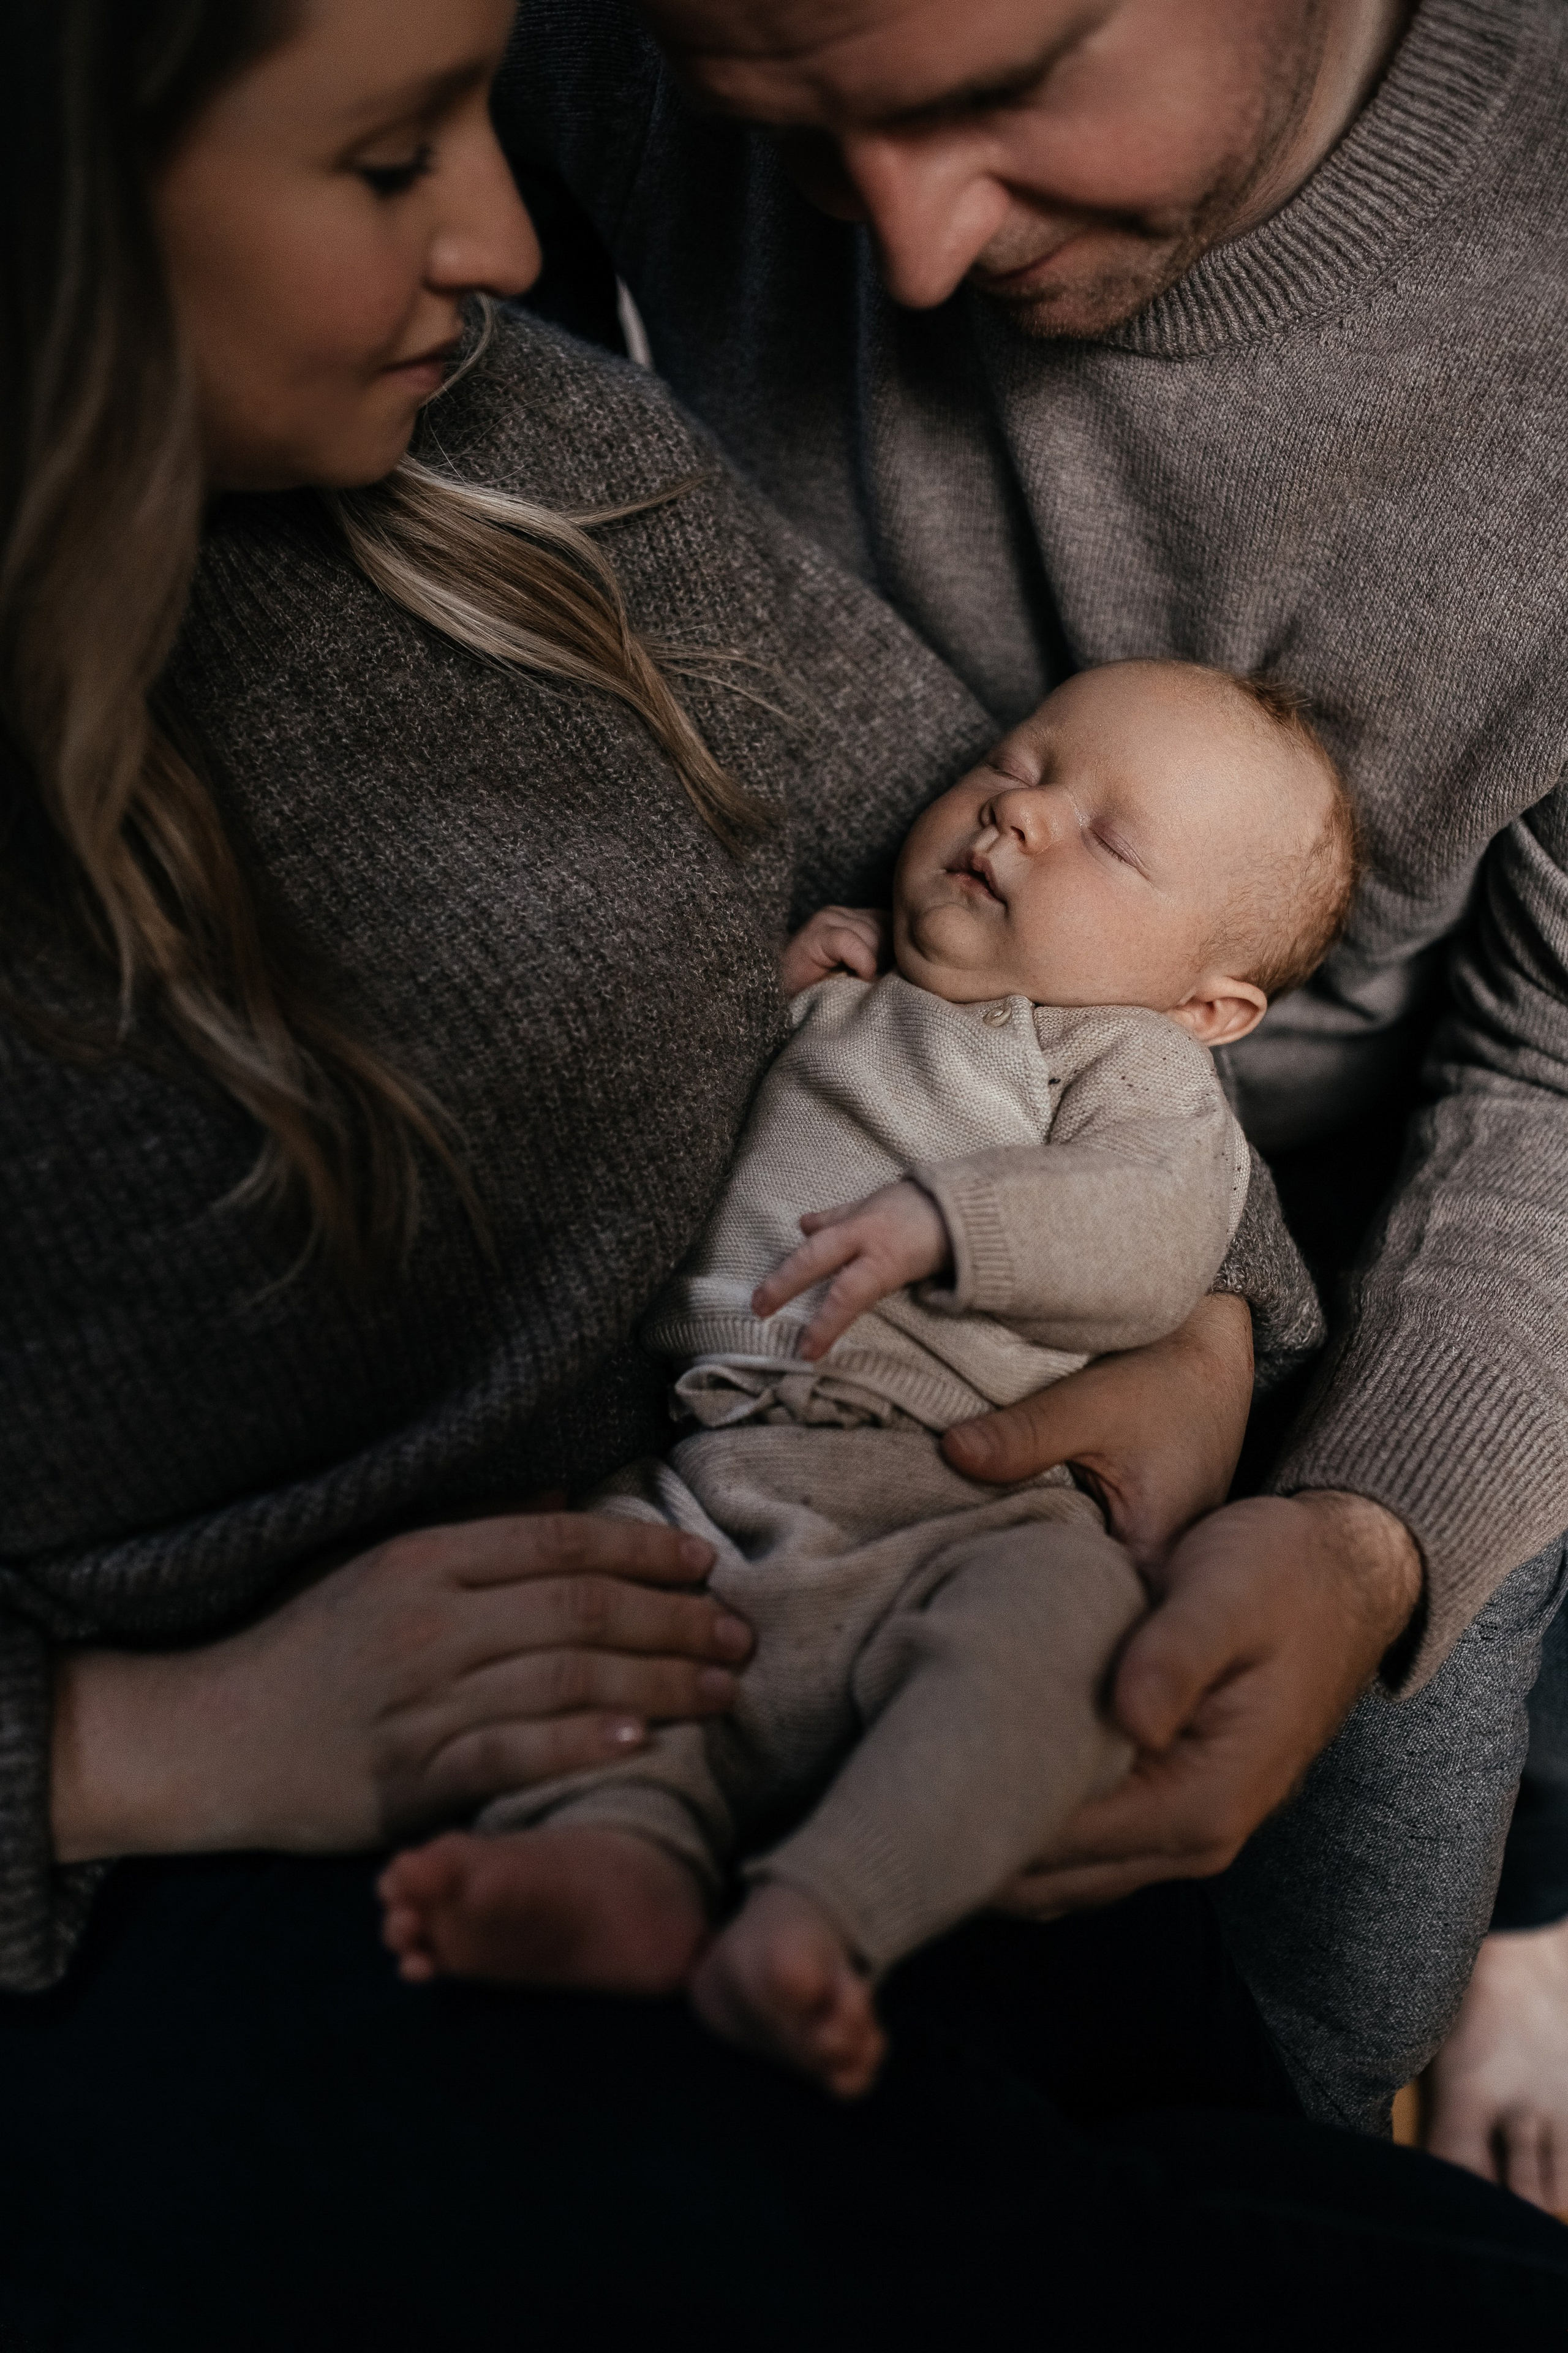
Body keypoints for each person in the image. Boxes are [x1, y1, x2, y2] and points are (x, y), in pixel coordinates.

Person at [499, 0, 1568, 2176]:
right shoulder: (601, 40)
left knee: (1325, 1981)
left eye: (1004, 92)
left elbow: (1545, 1078)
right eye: (785, 138)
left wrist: (1356, 1525)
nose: (899, 262)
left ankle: (1533, 1911)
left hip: (1379, 1240)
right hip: (848, 1331)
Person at [380, 659, 1346, 2105]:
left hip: (946, 1502)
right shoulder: (845, 984)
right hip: (702, 1469)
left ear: (1208, 1008)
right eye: (1021, 768)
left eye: (1109, 839)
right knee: (561, 1607)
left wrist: (957, 1218)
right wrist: (767, 1000)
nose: (1021, 817)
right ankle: (615, 1856)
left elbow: (1157, 1233)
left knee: (1066, 1636)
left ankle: (824, 1916)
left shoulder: (1124, 1065)